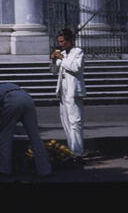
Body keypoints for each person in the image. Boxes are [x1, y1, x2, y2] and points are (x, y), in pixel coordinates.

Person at [0, 81, 52, 178]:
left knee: (4, 136)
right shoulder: (8, 85)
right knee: (35, 136)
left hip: (11, 100)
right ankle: (45, 170)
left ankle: (3, 169)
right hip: (27, 98)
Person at [50, 28, 86, 161]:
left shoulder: (78, 52)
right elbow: (54, 71)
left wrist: (62, 58)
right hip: (63, 90)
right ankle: (71, 151)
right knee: (66, 122)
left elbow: (76, 67)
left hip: (73, 90)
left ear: (70, 40)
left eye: (63, 41)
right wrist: (53, 60)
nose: (61, 44)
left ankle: (78, 153)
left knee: (75, 121)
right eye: (59, 42)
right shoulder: (63, 53)